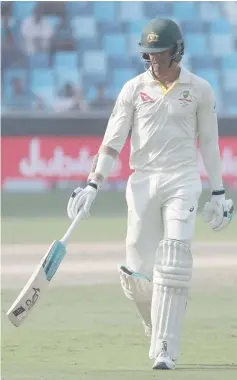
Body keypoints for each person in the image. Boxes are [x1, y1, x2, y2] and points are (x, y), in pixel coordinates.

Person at [66, 19, 234, 370]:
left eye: (162, 53)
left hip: (183, 179)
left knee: (174, 259)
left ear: (177, 50)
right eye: (150, 53)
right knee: (136, 273)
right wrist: (93, 183)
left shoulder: (200, 89)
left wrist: (218, 192)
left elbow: (208, 143)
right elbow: (112, 143)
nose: (155, 60)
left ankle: (164, 349)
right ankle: (155, 323)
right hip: (142, 182)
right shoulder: (132, 89)